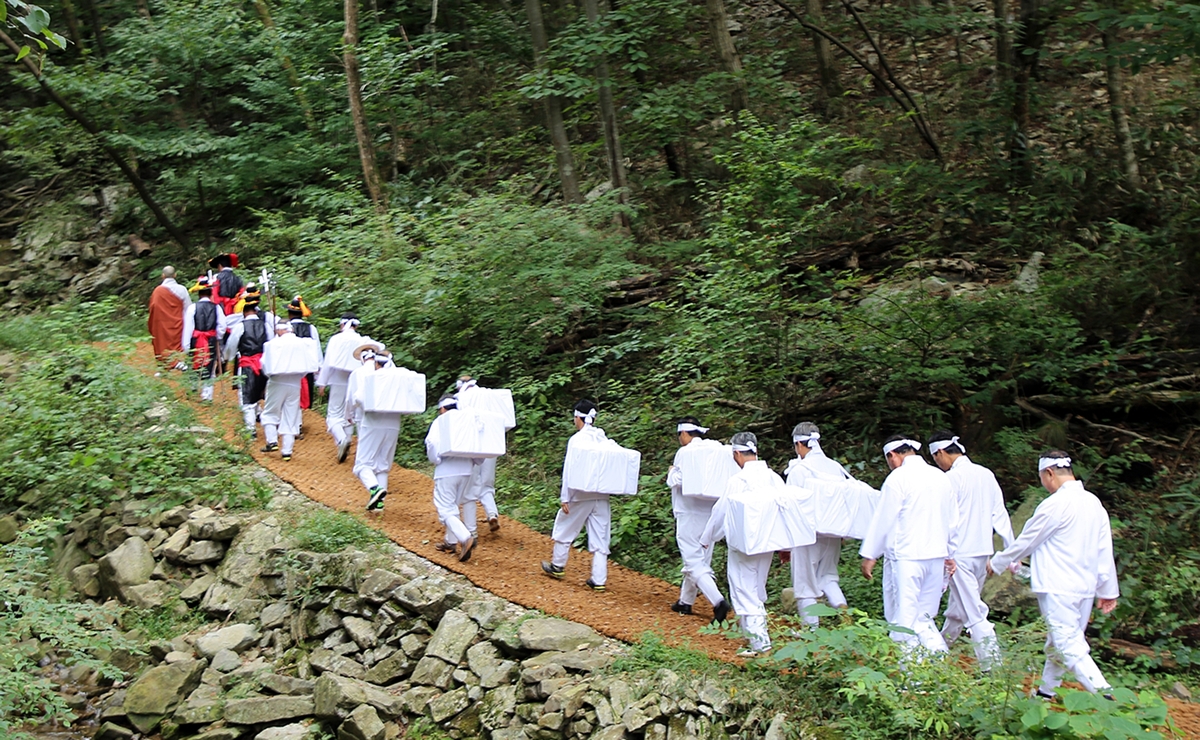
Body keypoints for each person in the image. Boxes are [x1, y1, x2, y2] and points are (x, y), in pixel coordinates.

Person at [988, 451, 1119, 698]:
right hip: (1084, 587)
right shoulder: (1093, 503)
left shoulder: (1055, 504)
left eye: (1042, 478)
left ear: (1049, 474)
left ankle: (1107, 696)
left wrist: (998, 561)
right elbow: (1104, 550)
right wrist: (1107, 590)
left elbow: (1028, 540)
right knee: (1058, 644)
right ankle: (1045, 695)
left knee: (1068, 644)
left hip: (1057, 585)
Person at [859, 435, 959, 654]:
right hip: (936, 556)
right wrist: (950, 553)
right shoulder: (940, 477)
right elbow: (952, 520)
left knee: (903, 618)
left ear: (892, 456)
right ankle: (939, 668)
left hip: (907, 557)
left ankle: (912, 679)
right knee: (924, 617)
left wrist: (870, 554)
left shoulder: (898, 479)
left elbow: (883, 518)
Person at [929, 430, 1014, 668]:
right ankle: (939, 655)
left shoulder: (950, 480)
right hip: (982, 552)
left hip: (960, 555)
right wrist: (1010, 548)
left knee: (975, 612)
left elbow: (945, 519)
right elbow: (1000, 513)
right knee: (959, 609)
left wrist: (944, 551)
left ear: (940, 453)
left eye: (936, 458)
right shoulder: (986, 474)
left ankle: (992, 669)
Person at [699, 432, 789, 656]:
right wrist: (785, 545)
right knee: (756, 590)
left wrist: (708, 537)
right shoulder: (773, 477)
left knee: (743, 590)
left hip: (744, 545)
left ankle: (761, 645)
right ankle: (756, 639)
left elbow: (721, 512)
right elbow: (786, 510)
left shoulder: (738, 481)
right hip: (767, 543)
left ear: (737, 453)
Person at [785, 422, 853, 626]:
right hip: (833, 533)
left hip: (807, 535)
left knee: (804, 583)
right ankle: (842, 608)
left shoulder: (799, 469)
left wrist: (786, 541)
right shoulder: (835, 466)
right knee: (827, 576)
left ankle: (811, 630)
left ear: (798, 445)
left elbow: (791, 505)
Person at [541, 399, 612, 592]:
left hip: (580, 494)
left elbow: (569, 469)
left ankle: (558, 565)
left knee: (565, 528)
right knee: (600, 538)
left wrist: (565, 496)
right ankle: (599, 580)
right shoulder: (602, 439)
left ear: (577, 418)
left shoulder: (577, 440)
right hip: (602, 496)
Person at [665, 417, 730, 623]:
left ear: (684, 434)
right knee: (700, 558)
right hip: (712, 513)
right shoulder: (719, 451)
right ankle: (686, 601)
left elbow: (679, 480)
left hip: (688, 513)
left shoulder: (685, 453)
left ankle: (718, 602)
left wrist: (671, 473)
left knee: (693, 561)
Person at [348, 349, 402, 513]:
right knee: (382, 465)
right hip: (394, 424)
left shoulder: (372, 378)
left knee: (362, 465)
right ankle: (379, 504)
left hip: (373, 423)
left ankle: (374, 489)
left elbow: (358, 398)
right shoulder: (399, 378)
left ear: (377, 363)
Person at [424, 395, 477, 561]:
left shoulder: (441, 421)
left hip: (446, 471)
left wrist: (436, 460)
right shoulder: (467, 421)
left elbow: (431, 443)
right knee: (454, 505)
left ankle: (465, 537)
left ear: (442, 409)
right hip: (467, 470)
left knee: (445, 508)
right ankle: (450, 541)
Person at [259, 323, 319, 461]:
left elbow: (265, 364)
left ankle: (272, 441)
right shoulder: (303, 344)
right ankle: (287, 450)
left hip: (277, 381)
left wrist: (271, 376)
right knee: (290, 415)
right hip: (295, 383)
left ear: (281, 330)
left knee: (270, 412)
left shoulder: (273, 344)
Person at [454, 375, 502, 534]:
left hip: (472, 445)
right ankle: (492, 513)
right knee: (487, 484)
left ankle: (470, 530)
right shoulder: (489, 395)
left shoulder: (461, 397)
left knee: (471, 486)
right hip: (492, 444)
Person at [317, 314, 365, 463]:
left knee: (334, 413)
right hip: (356, 380)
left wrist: (322, 382)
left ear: (342, 324)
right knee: (349, 413)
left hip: (338, 379)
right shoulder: (361, 340)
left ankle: (342, 439)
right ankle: (348, 439)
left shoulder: (336, 339)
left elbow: (328, 362)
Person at [226, 288, 271, 436]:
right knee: (258, 391)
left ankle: (250, 428)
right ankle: (261, 419)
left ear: (244, 311)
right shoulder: (266, 326)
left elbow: (231, 347)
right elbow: (271, 344)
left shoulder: (240, 327)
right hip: (263, 364)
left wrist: (228, 358)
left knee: (245, 394)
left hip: (246, 364)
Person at [182, 276, 227, 402]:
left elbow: (188, 328)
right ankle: (207, 394)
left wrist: (186, 346)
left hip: (195, 340)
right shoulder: (217, 308)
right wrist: (217, 336)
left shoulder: (192, 308)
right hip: (211, 340)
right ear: (210, 292)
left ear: (199, 294)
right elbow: (222, 326)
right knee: (209, 365)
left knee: (194, 362)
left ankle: (192, 387)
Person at [147, 265, 191, 365]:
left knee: (162, 342)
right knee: (178, 342)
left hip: (162, 324)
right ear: (175, 275)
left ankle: (163, 365)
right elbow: (188, 308)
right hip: (178, 322)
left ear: (163, 276)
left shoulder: (157, 291)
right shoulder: (182, 289)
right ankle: (179, 362)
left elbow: (153, 308)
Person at [286, 295, 321, 412]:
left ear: (289, 314)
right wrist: (318, 371)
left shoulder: (285, 327)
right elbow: (317, 350)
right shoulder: (311, 328)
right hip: (307, 369)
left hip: (288, 368)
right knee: (305, 396)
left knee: (289, 398)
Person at [209, 253, 245, 318]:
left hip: (221, 309)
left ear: (220, 266)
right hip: (235, 310)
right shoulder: (237, 278)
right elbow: (242, 294)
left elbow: (214, 295)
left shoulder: (216, 278)